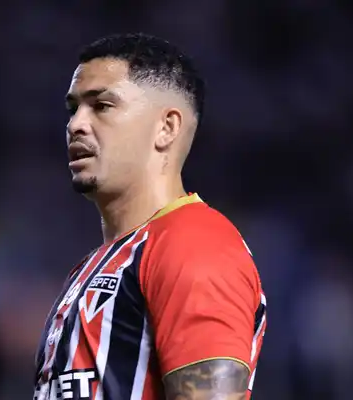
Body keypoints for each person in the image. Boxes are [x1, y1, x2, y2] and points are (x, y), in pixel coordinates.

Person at [33, 33, 266, 400]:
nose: (76, 124)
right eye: (73, 108)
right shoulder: (92, 267)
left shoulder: (194, 243)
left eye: (101, 105)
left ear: (166, 128)